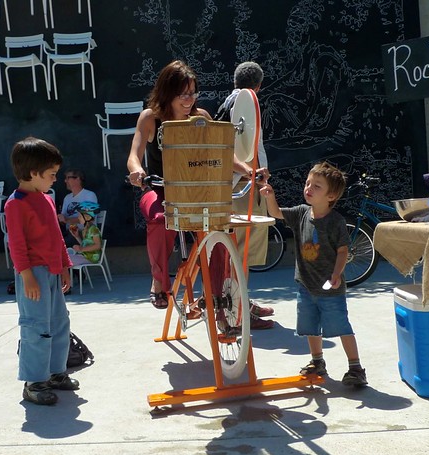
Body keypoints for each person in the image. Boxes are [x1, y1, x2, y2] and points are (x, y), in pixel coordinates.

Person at [127, 60, 254, 309]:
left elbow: (224, 155)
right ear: (168, 92)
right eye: (183, 94)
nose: (189, 99)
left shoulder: (201, 118)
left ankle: (218, 291)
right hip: (160, 188)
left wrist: (250, 171)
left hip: (197, 191)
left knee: (221, 222)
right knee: (160, 217)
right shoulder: (151, 118)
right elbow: (134, 154)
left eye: (193, 93)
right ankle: (159, 282)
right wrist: (137, 171)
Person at [260, 161, 367, 386]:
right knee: (310, 327)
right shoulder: (300, 213)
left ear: (332, 195)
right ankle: (318, 361)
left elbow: (343, 251)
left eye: (317, 186)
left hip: (330, 289)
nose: (309, 188)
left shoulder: (335, 221)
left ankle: (355, 367)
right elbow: (276, 213)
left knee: (341, 326)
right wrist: (270, 195)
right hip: (306, 286)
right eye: (308, 183)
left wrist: (337, 274)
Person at [4, 136, 80, 406]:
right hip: (32, 275)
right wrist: (26, 277)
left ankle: (56, 373)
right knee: (36, 327)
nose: (55, 180)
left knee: (60, 323)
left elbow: (57, 238)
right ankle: (34, 381)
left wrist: (65, 267)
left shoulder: (47, 199)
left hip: (51, 271)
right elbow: (16, 244)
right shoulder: (16, 204)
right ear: (34, 173)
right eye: (51, 175)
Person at [216, 61, 275, 329]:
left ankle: (241, 302)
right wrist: (255, 175)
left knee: (236, 253)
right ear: (259, 86)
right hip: (243, 186)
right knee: (242, 253)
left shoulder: (227, 104)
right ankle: (238, 312)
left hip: (233, 184)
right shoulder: (246, 105)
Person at [57, 168, 98, 246]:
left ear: (78, 179)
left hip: (84, 234)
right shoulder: (67, 198)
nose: (65, 181)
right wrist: (60, 218)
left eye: (68, 178)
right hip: (69, 233)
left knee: (58, 243)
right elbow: (63, 222)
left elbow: (88, 218)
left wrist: (67, 220)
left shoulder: (89, 195)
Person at [67, 201, 102, 267]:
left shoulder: (93, 229)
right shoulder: (85, 230)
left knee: (64, 260)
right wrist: (77, 236)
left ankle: (65, 277)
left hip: (90, 258)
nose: (78, 218)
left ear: (87, 217)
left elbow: (98, 245)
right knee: (64, 257)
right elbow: (84, 245)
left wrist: (81, 249)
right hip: (85, 256)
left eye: (80, 216)